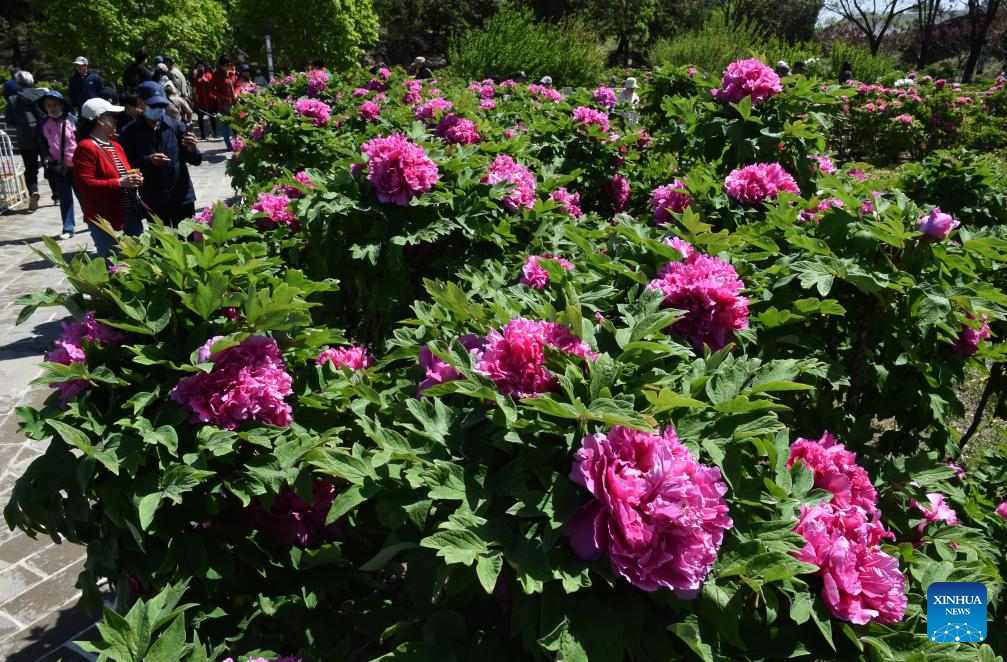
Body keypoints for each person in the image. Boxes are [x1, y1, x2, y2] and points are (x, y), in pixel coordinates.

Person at [118, 81, 202, 227]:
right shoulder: (129, 133)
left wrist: (191, 149)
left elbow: (196, 160)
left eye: (161, 105)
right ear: (140, 103)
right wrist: (148, 161)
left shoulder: (176, 125)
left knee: (189, 239)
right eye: (153, 105)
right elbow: (126, 165)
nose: (158, 109)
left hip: (182, 197)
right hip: (153, 200)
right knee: (162, 240)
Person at [72, 97, 144, 257]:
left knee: (139, 260)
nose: (116, 120)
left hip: (130, 214)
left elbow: (124, 176)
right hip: (106, 218)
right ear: (99, 120)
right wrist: (120, 183)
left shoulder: (116, 146)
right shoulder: (85, 147)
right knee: (114, 263)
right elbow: (84, 184)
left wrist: (135, 180)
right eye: (112, 116)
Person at [36, 90, 81, 239]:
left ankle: (94, 224)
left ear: (61, 105)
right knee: (65, 198)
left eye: (54, 104)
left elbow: (81, 140)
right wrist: (46, 156)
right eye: (48, 105)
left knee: (84, 197)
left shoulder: (72, 120)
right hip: (58, 167)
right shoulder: (44, 123)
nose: (52, 108)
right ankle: (68, 228)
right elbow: (43, 143)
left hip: (76, 165)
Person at [5, 71, 47, 212]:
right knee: (50, 164)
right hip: (45, 136)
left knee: (30, 169)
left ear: (18, 84)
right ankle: (57, 195)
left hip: (25, 138)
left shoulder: (13, 99)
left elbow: (10, 121)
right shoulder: (42, 94)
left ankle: (33, 190)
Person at [211, 55, 238, 150]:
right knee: (224, 124)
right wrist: (221, 95)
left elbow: (237, 85)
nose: (227, 67)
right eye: (225, 65)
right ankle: (229, 145)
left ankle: (238, 144)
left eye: (228, 65)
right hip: (223, 104)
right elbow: (212, 89)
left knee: (236, 123)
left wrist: (236, 93)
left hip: (234, 103)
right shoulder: (216, 75)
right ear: (220, 65)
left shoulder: (232, 73)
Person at [193, 62, 217, 140]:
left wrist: (206, 81)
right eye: (198, 67)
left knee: (212, 116)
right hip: (200, 101)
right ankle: (202, 134)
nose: (200, 68)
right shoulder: (196, 77)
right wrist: (195, 78)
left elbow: (213, 84)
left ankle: (215, 133)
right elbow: (194, 88)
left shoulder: (208, 75)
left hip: (209, 100)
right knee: (200, 117)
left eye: (201, 66)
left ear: (204, 67)